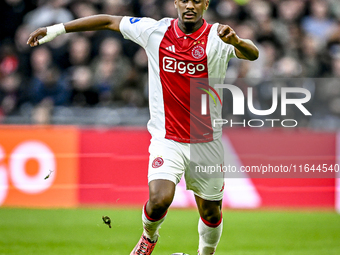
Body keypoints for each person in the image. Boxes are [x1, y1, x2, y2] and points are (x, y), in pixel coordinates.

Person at [27, 0, 258, 254]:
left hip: (206, 142)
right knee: (159, 200)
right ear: (176, 3)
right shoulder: (154, 31)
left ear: (205, 4)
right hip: (167, 139)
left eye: (196, 0)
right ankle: (149, 237)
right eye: (184, 0)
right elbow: (108, 20)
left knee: (212, 212)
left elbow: (252, 53)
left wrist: (236, 42)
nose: (190, 5)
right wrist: (57, 29)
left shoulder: (218, 36)